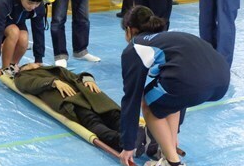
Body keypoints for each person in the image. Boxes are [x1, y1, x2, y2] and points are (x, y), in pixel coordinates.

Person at [119, 6, 230, 166]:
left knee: (148, 103)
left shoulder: (135, 47)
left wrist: (128, 145)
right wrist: (173, 136)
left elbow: (131, 99)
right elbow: (179, 97)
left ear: (129, 30)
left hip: (192, 82)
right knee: (169, 96)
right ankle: (168, 146)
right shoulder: (169, 39)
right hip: (222, 80)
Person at [14, 63, 158, 155]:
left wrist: (88, 78)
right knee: (92, 121)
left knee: (113, 115)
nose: (35, 64)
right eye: (31, 64)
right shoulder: (23, 76)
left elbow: (77, 75)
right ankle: (124, 141)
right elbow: (27, 85)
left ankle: (137, 136)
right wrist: (53, 82)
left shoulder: (55, 69)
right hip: (71, 99)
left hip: (89, 94)